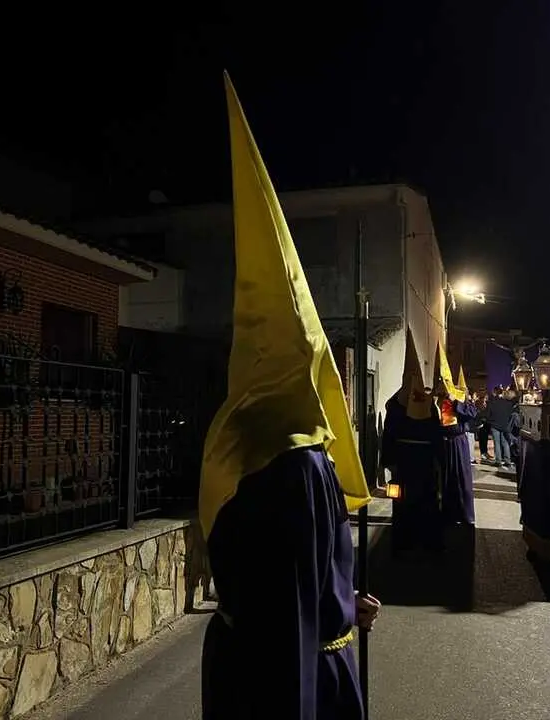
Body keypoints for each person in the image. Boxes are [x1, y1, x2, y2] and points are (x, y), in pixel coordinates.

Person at [200, 74, 380, 720]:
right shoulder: (296, 464)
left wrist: (342, 601)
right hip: (297, 685)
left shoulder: (242, 442)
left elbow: (285, 586)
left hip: (241, 669)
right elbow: (290, 628)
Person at [380, 328, 443, 557]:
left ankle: (422, 540)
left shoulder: (424, 406)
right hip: (406, 462)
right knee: (402, 501)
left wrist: (438, 459)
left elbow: (436, 435)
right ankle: (405, 541)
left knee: (424, 500)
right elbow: (388, 435)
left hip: (418, 462)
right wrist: (390, 461)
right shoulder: (395, 406)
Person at [434, 342, 478, 526]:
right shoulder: (435, 398)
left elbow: (471, 414)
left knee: (461, 479)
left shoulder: (459, 399)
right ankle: (447, 514)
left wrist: (454, 402)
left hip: (457, 443)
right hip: (441, 443)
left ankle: (465, 515)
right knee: (444, 481)